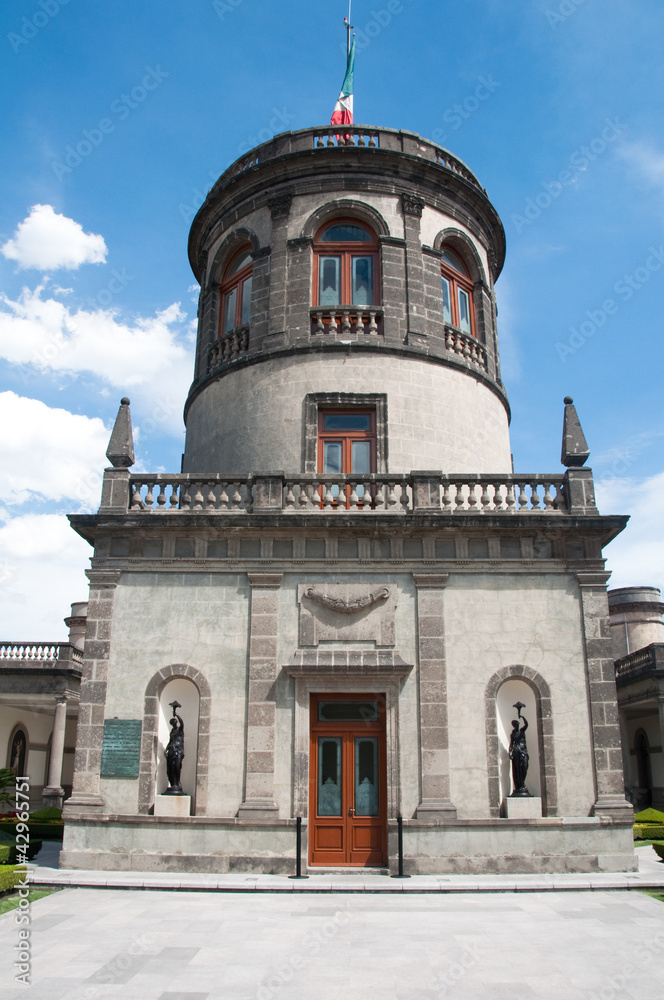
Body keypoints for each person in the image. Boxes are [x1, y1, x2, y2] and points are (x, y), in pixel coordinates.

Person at [164, 705, 185, 794]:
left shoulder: (180, 730)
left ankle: (177, 783)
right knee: (171, 768)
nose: (174, 724)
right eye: (172, 723)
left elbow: (182, 723)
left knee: (177, 766)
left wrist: (176, 714)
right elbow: (170, 741)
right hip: (172, 751)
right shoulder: (172, 732)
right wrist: (166, 749)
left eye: (175, 722)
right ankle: (173, 783)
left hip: (178, 751)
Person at [509, 713, 529, 795]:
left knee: (524, 767)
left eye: (517, 724)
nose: (517, 725)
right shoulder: (513, 734)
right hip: (516, 753)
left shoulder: (522, 731)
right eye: (515, 724)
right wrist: (509, 753)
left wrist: (523, 717)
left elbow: (526, 725)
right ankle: (519, 786)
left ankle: (522, 784)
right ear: (514, 726)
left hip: (523, 752)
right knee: (517, 770)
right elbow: (511, 745)